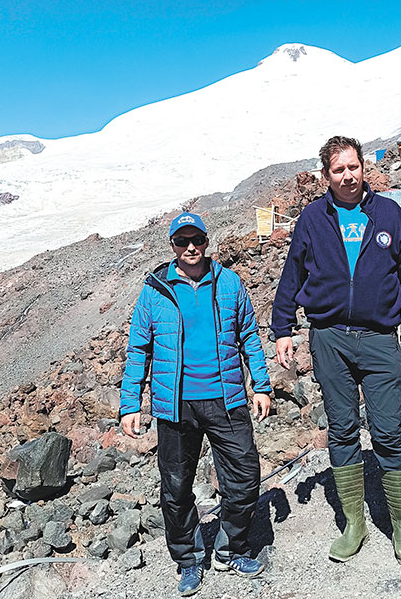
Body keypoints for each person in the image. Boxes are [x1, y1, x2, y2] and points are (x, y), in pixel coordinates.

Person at [271, 136, 401, 566]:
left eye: (353, 167)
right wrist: (283, 328)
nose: (347, 176)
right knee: (341, 429)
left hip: (380, 339)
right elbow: (292, 276)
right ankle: (354, 523)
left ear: (364, 169)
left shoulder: (388, 214)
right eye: (338, 170)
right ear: (327, 175)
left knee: (387, 430)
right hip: (329, 338)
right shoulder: (311, 219)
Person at [120, 212, 272, 596]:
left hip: (228, 398)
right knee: (176, 487)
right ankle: (188, 561)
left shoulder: (229, 283)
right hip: (175, 406)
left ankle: (230, 549)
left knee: (245, 476)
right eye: (182, 241)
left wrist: (262, 385)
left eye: (197, 240)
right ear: (172, 245)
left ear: (207, 241)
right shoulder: (155, 290)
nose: (191, 247)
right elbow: (139, 348)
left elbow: (250, 336)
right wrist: (129, 404)